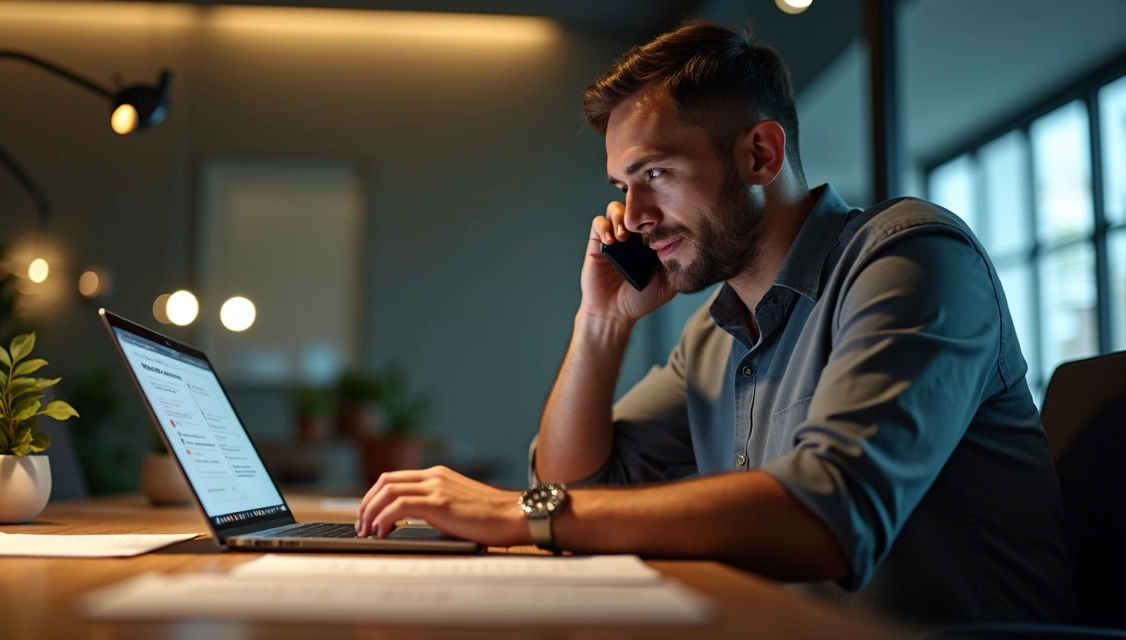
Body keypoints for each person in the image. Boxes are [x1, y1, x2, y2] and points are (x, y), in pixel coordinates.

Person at [356, 19, 1078, 625]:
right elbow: (583, 483)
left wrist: (525, 513)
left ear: (760, 153)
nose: (631, 218)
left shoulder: (912, 260)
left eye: (657, 174)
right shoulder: (716, 329)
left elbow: (831, 513)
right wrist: (601, 324)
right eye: (622, 186)